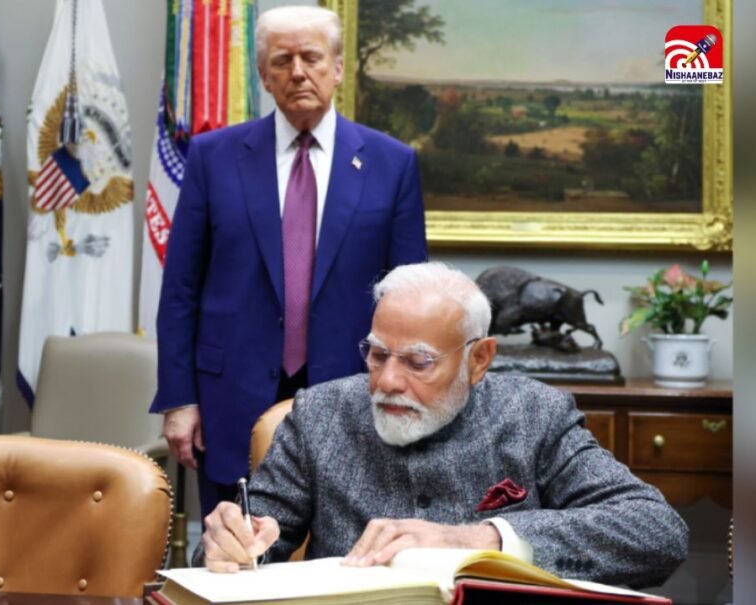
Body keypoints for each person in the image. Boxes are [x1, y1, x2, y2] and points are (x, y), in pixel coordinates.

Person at [198, 262, 688, 589]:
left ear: (479, 360)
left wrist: (485, 539)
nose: (387, 381)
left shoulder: (534, 415)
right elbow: (247, 541)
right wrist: (228, 544)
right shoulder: (319, 415)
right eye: (377, 354)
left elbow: (657, 531)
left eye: (419, 362)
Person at [150, 5, 428, 520]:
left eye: (311, 58)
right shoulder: (213, 157)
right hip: (229, 400)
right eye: (282, 60)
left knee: (341, 555)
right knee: (234, 551)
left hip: (353, 399)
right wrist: (179, 399)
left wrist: (408, 397)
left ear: (337, 68)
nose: (298, 72)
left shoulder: (392, 164)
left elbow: (412, 301)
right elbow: (181, 288)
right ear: (263, 75)